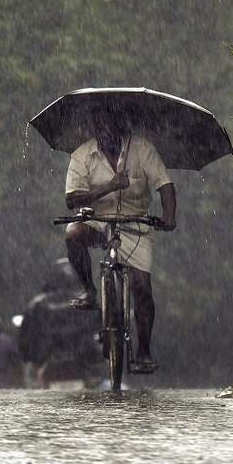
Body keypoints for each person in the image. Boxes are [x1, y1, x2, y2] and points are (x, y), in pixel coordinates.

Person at [63, 110, 176, 374]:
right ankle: (90, 290)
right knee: (72, 235)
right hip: (97, 220)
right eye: (100, 130)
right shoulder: (82, 155)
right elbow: (72, 199)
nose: (106, 135)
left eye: (111, 129)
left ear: (122, 129)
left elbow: (165, 185)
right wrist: (110, 187)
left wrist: (169, 217)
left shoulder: (143, 149)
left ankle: (144, 350)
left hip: (135, 223)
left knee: (142, 288)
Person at [18, 259, 101, 388]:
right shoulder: (89, 303)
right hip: (84, 363)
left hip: (47, 363)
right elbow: (101, 333)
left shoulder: (36, 305)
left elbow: (25, 341)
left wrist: (33, 359)